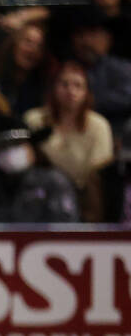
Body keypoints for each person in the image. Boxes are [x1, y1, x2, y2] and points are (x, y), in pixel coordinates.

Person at [24, 61, 115, 221]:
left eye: (78, 85)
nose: (71, 91)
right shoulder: (34, 119)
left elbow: (98, 173)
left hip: (84, 197)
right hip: (42, 193)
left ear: (87, 92)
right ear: (53, 88)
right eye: (64, 84)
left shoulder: (99, 125)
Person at [0, 117, 79, 222]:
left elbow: (66, 229)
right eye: (3, 147)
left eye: (18, 144)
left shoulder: (53, 182)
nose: (11, 152)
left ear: (32, 149)